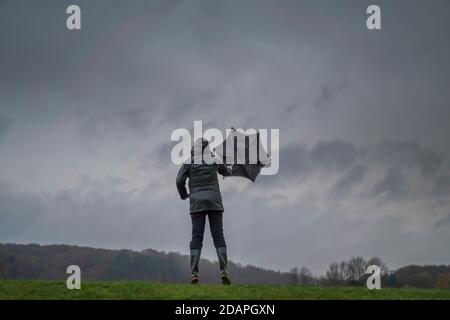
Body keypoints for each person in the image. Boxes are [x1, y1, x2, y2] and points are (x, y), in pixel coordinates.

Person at [176, 138, 232, 285]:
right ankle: (224, 271)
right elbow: (227, 171)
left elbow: (178, 180)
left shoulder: (189, 161)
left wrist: (184, 195)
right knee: (218, 235)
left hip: (196, 203)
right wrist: (228, 167)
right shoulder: (214, 159)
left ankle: (194, 273)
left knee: (196, 237)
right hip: (214, 202)